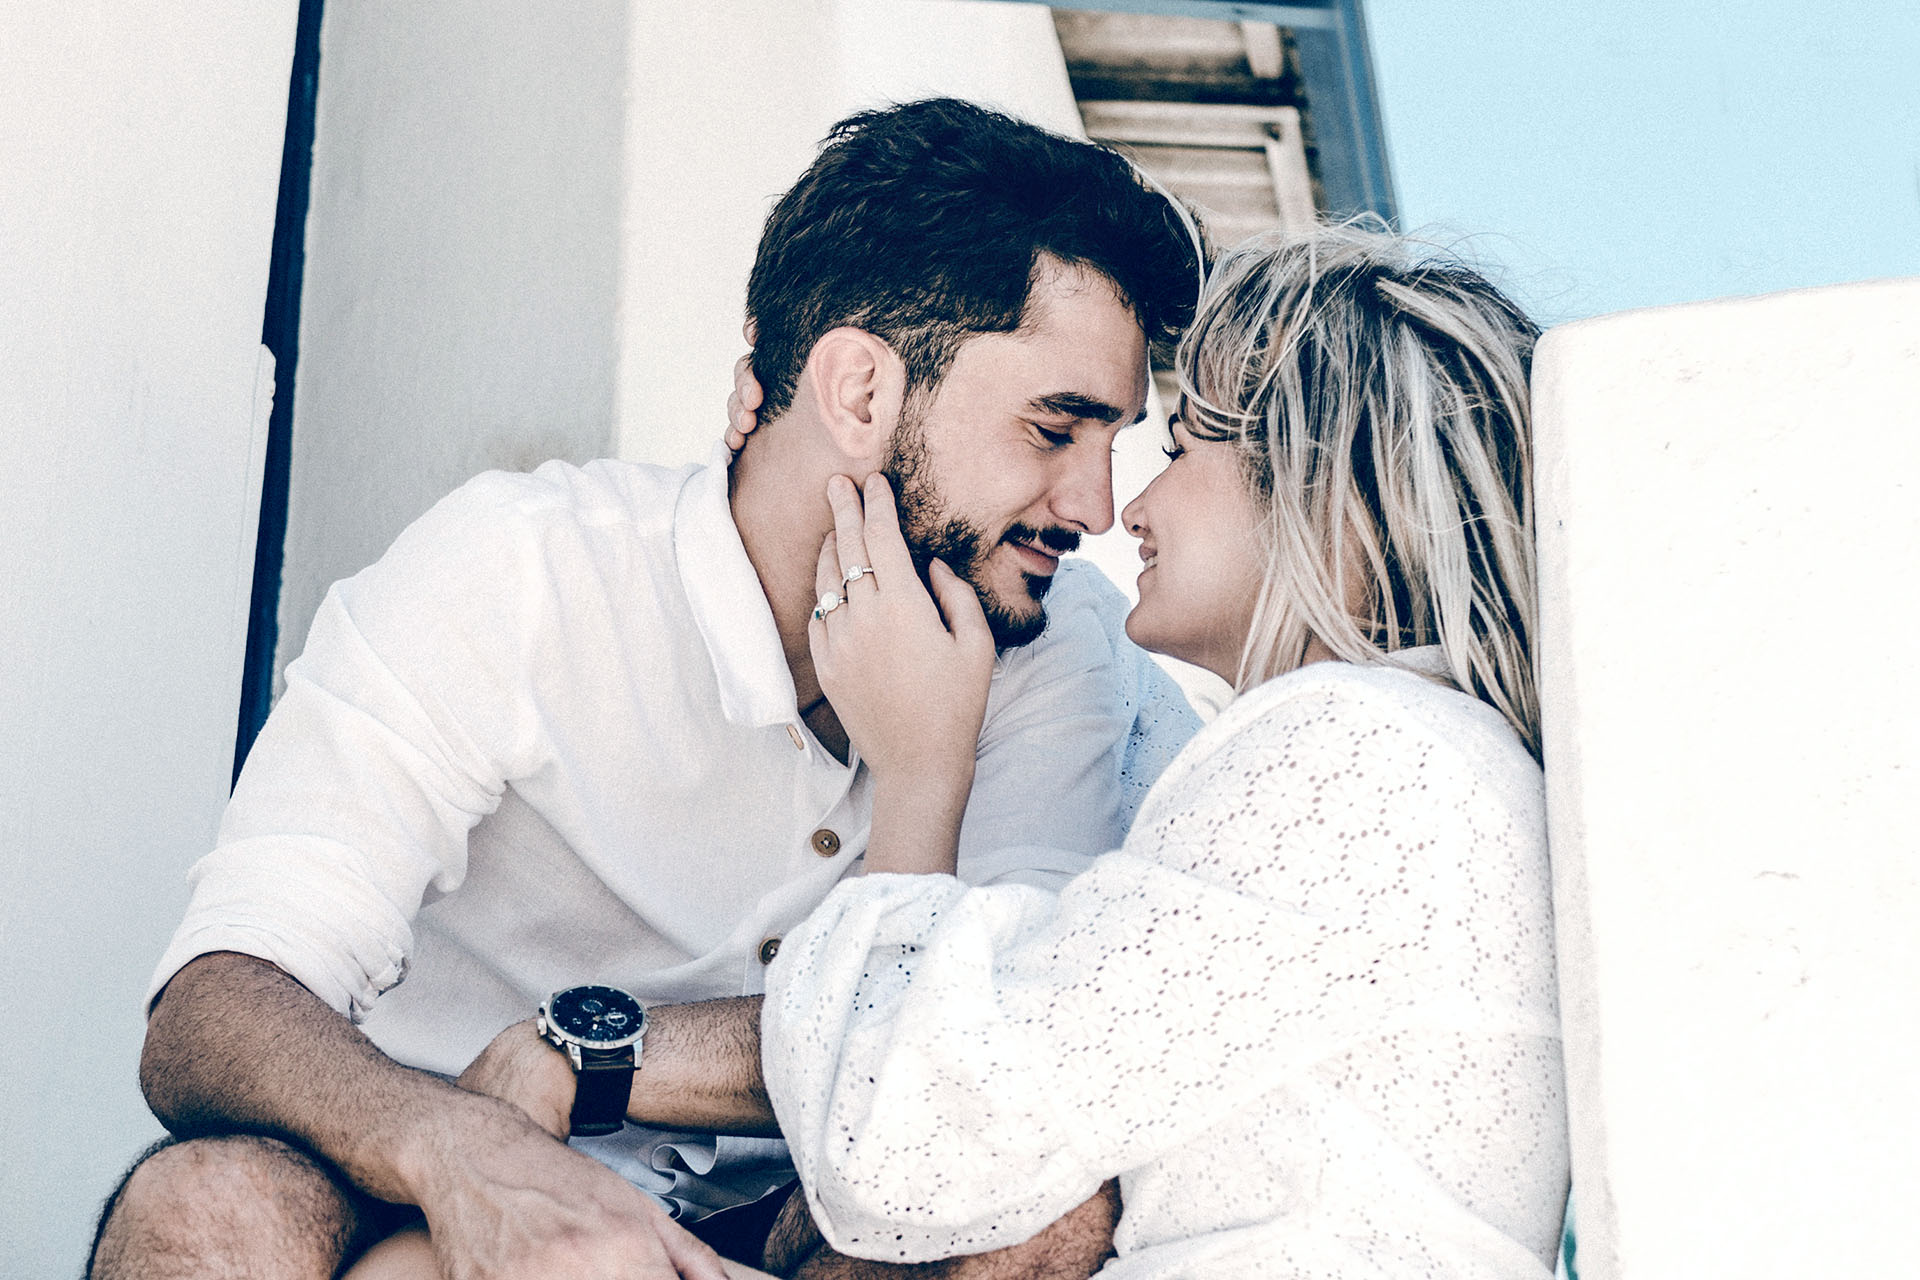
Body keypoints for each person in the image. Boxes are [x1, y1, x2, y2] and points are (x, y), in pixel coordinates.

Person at [88, 97, 1202, 1280]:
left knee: (1039, 1209)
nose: (1093, 505)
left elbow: (990, 1045)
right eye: (1055, 428)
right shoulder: (522, 569)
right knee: (206, 1209)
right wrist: (459, 1154)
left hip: (790, 1224)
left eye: (1118, 441)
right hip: (425, 1180)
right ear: (862, 393)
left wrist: (596, 1055)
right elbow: (218, 1000)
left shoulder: (1049, 637)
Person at [547, 223, 1561, 1278]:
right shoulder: (1426, 764)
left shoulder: (1352, 753)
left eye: (1181, 448)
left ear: (1330, 491)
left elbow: (908, 1145)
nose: (1127, 508)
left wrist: (919, 770)